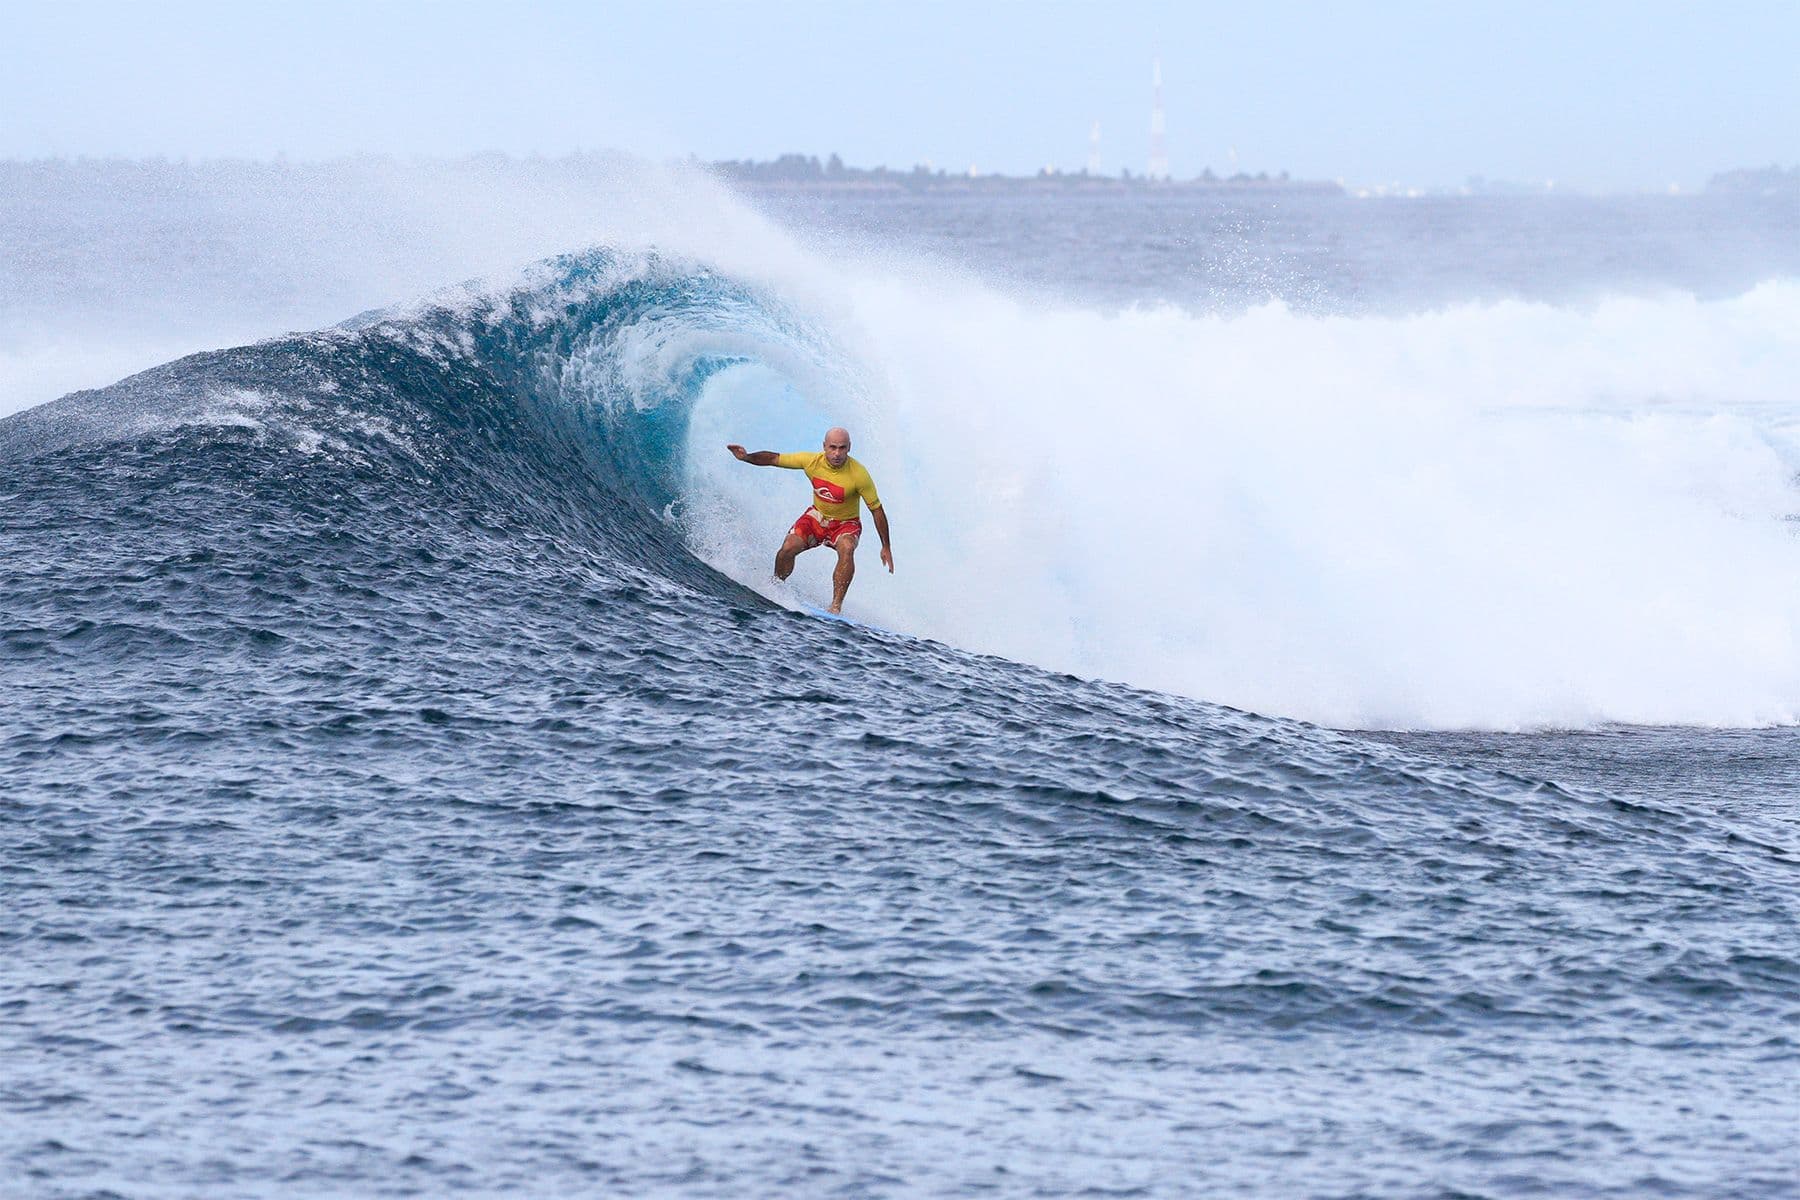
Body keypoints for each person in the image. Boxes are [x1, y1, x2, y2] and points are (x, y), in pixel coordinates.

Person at [727, 426, 893, 614]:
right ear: (824, 446)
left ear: (849, 448)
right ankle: (775, 585)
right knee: (788, 548)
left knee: (847, 548)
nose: (837, 453)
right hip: (817, 517)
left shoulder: (859, 474)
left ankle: (836, 606)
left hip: (845, 523)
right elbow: (774, 458)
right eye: (832, 447)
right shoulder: (811, 462)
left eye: (842, 448)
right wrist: (747, 457)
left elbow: (877, 510)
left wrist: (885, 546)